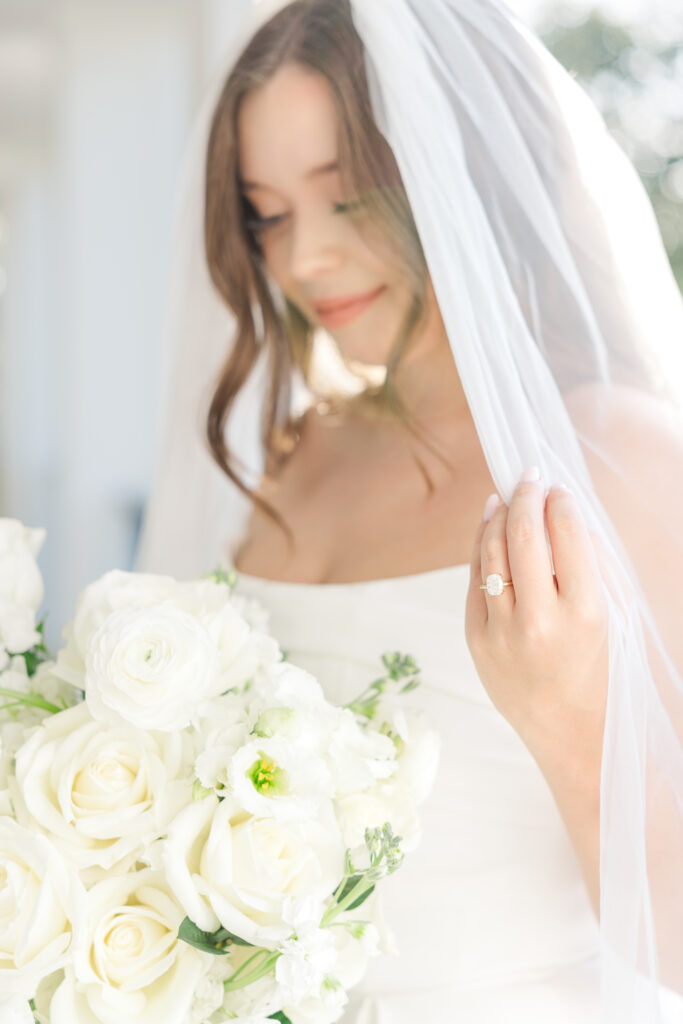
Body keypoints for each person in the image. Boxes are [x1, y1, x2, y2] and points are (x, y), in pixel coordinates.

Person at [137, 0, 683, 1021]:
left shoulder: (617, 456)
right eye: (266, 212)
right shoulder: (296, 456)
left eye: (344, 199)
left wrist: (567, 720)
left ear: (462, 169)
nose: (301, 262)